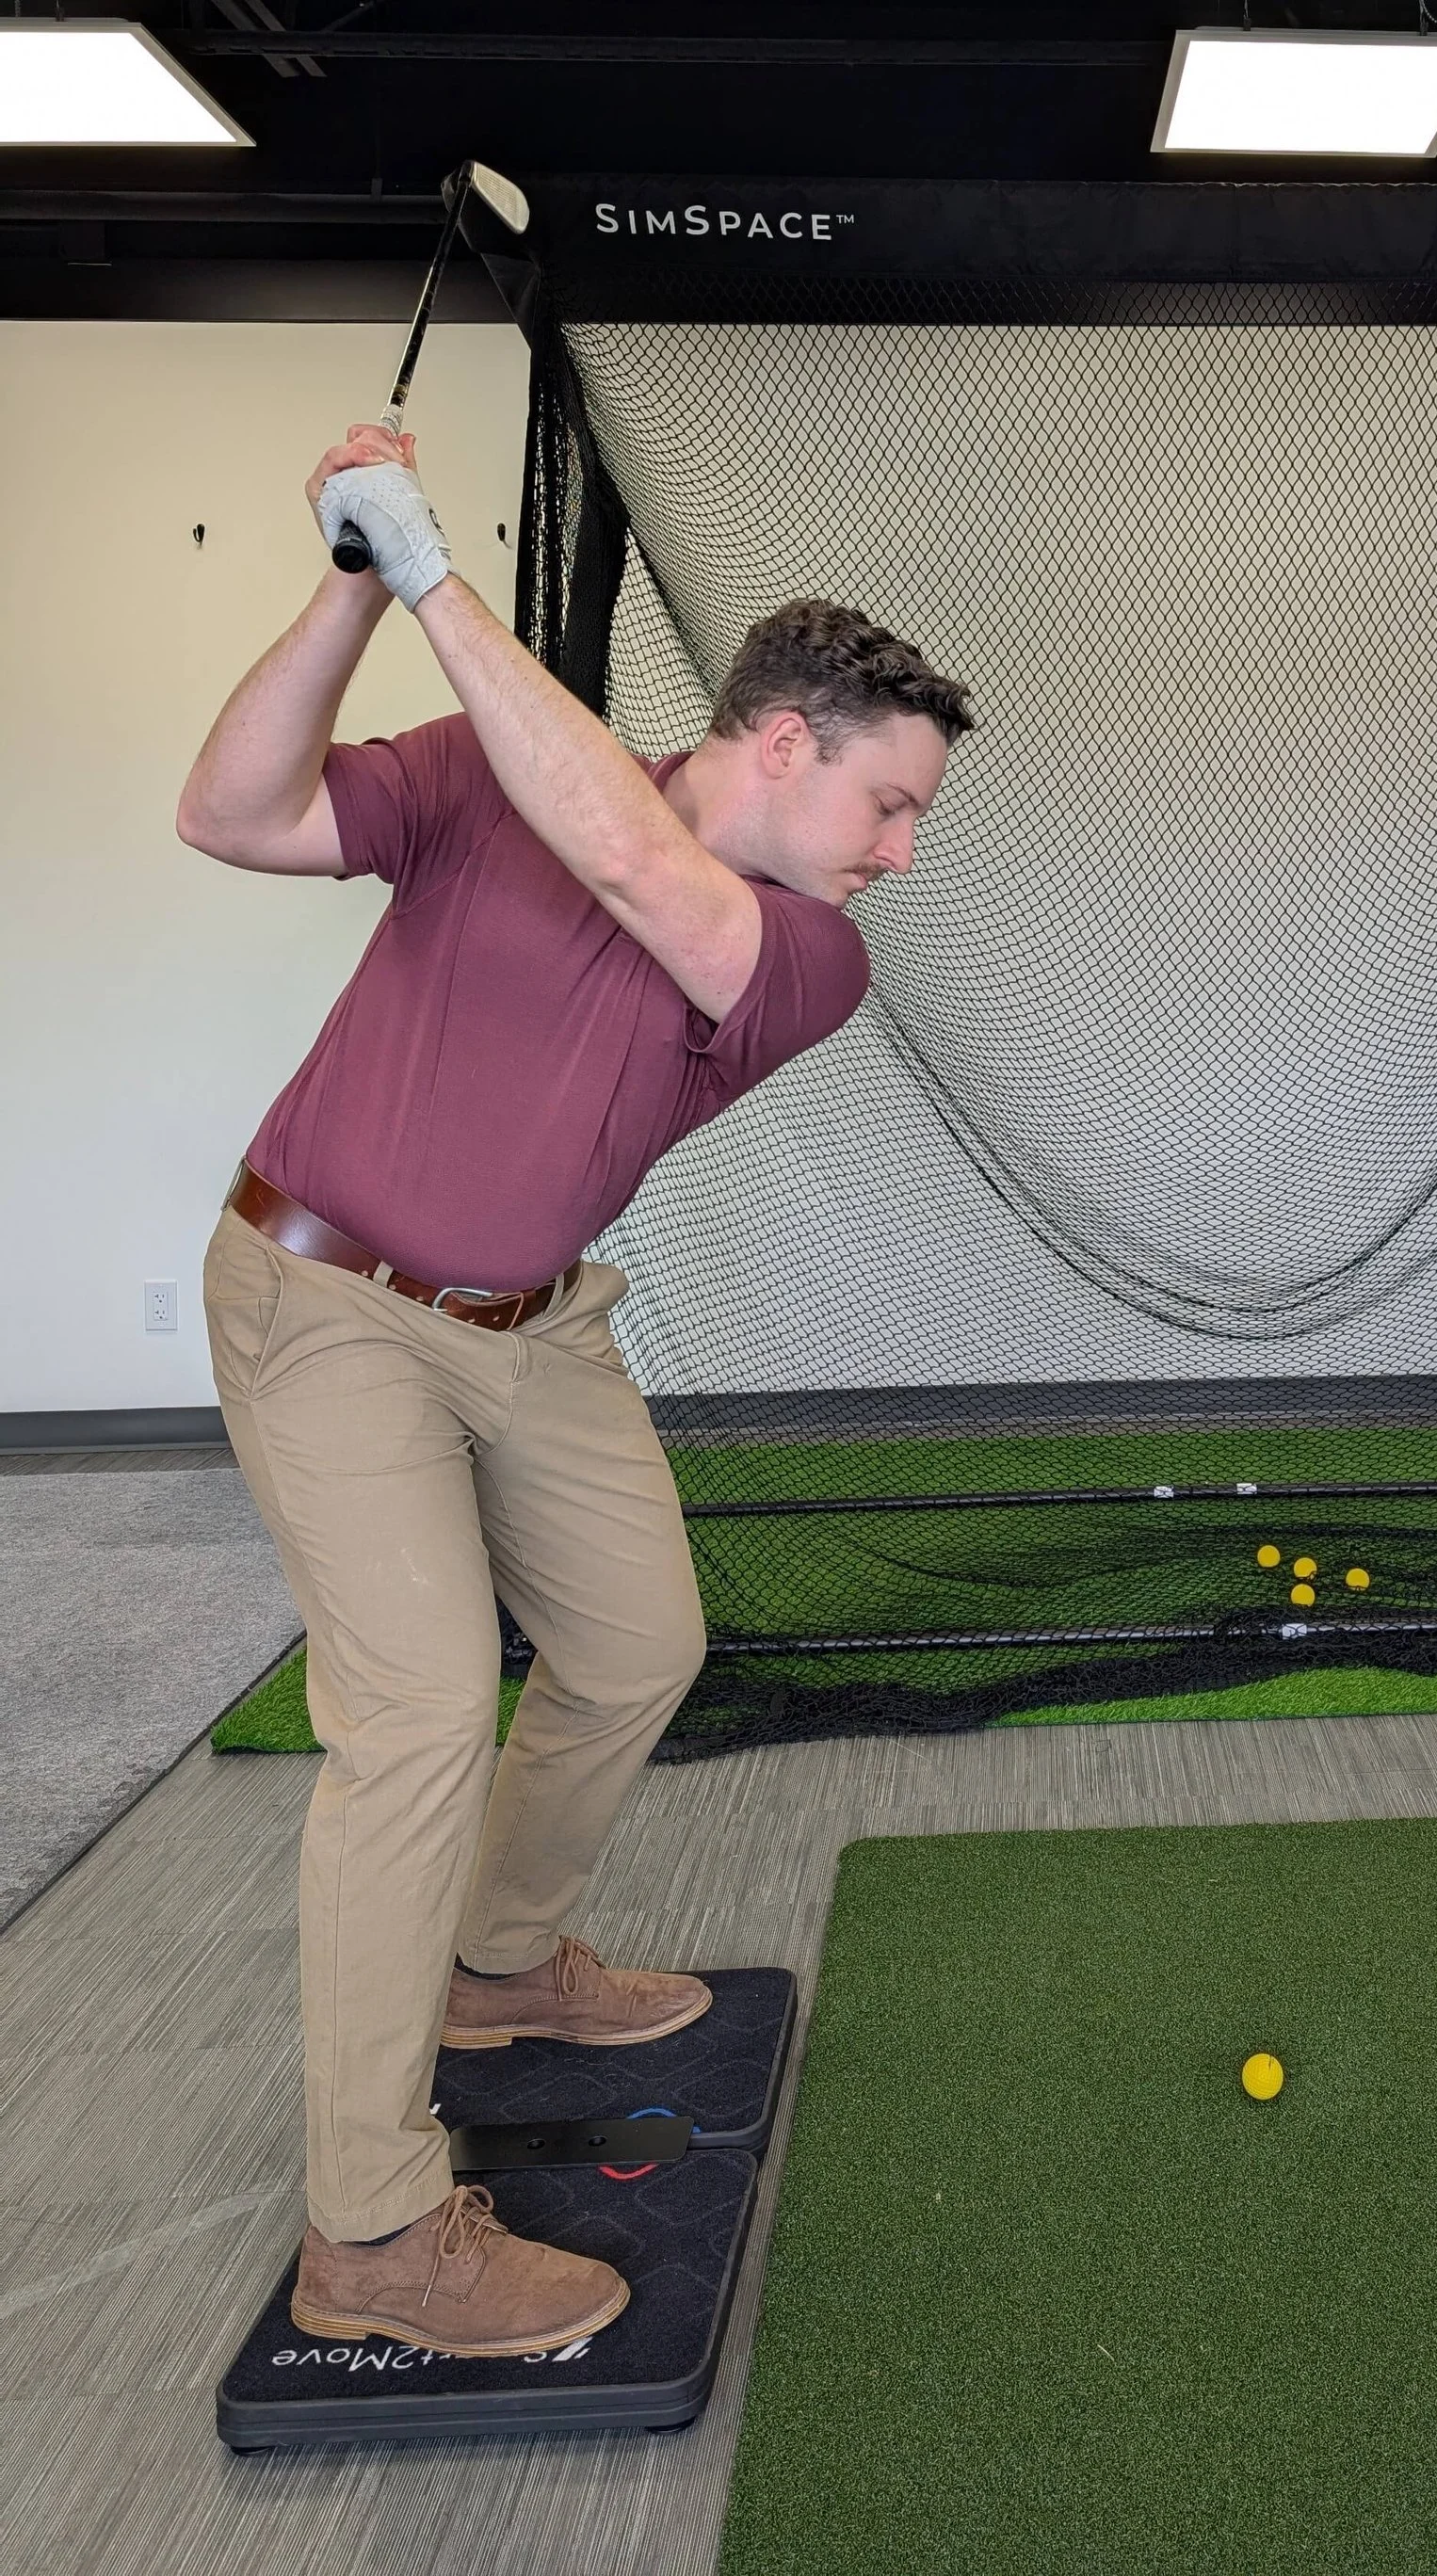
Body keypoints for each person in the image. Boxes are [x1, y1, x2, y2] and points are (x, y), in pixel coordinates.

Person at [178, 422, 972, 2356]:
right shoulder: (486, 763)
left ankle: (502, 1965)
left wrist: (436, 567)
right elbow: (233, 811)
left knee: (635, 1644)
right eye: (890, 805)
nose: (900, 855)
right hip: (325, 1300)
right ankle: (369, 2229)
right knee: (423, 1710)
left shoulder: (799, 954)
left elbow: (626, 856)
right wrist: (358, 583)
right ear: (782, 742)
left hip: (533, 1324)